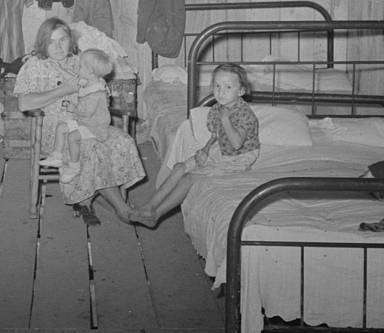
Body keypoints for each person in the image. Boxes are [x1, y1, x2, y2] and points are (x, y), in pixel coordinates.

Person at [14, 18, 145, 225]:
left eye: (62, 40)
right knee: (90, 147)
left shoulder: (80, 61)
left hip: (88, 122)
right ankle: (122, 209)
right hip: (55, 130)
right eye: (51, 42)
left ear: (70, 40)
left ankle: (91, 194)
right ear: (43, 43)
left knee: (123, 140)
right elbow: (24, 103)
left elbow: (99, 87)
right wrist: (63, 91)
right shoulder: (34, 66)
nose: (58, 47)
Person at [129, 63, 260, 228]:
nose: (221, 92)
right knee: (178, 167)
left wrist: (225, 119)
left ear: (240, 91)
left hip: (237, 158)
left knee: (188, 178)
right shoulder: (217, 109)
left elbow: (236, 144)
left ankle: (157, 214)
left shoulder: (244, 114)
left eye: (228, 87)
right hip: (219, 150)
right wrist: (205, 150)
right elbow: (215, 136)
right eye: (217, 86)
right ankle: (150, 206)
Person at [38, 48, 114, 183]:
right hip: (84, 121)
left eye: (80, 66)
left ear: (90, 71)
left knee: (73, 137)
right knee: (61, 127)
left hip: (95, 126)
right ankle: (57, 157)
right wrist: (59, 69)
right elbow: (73, 79)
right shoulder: (88, 81)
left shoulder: (97, 91)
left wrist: (73, 108)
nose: (78, 67)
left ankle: (74, 167)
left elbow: (87, 112)